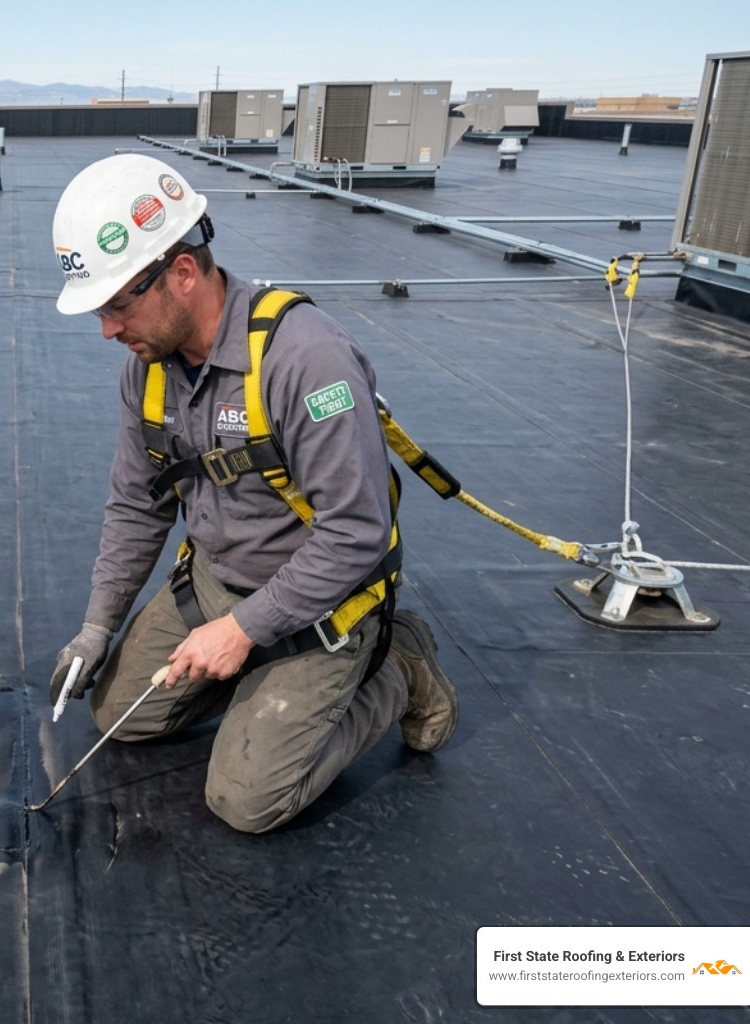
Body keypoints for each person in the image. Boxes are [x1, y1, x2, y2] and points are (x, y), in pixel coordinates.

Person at [48, 153, 458, 834]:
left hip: (320, 603)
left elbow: (356, 529)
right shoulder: (148, 372)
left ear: (181, 272)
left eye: (118, 304)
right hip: (214, 585)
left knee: (246, 802)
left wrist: (244, 631)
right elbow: (137, 505)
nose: (108, 331)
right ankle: (264, 683)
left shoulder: (304, 359)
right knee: (119, 714)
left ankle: (398, 665)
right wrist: (98, 626)